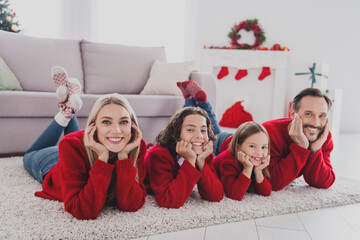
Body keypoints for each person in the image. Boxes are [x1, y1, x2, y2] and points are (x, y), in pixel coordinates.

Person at [23, 66, 147, 220]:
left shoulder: (136, 144)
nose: (116, 130)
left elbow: (131, 205)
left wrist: (123, 157)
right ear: (94, 126)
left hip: (79, 151)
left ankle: (68, 106)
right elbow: (83, 211)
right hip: (51, 164)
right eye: (107, 122)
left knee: (78, 140)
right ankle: (66, 111)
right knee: (28, 155)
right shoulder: (70, 145)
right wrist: (102, 157)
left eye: (123, 122)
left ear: (132, 125)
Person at [144, 106, 224, 208]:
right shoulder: (159, 155)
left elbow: (215, 196)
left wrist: (201, 162)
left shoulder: (203, 153)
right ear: (176, 133)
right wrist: (190, 161)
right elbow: (168, 200)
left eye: (203, 130)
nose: (199, 136)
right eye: (190, 130)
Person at [262, 88, 335, 191]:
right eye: (308, 114)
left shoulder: (322, 136)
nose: (315, 123)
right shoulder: (268, 133)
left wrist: (315, 150)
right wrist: (300, 147)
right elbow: (271, 183)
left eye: (322, 115)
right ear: (292, 114)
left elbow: (323, 182)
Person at [213, 122, 272, 201]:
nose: (259, 153)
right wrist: (247, 169)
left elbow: (266, 192)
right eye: (252, 146)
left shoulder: (256, 159)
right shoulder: (227, 160)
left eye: (264, 147)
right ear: (238, 147)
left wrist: (258, 171)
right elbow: (233, 195)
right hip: (217, 144)